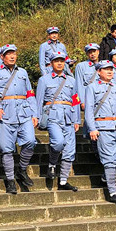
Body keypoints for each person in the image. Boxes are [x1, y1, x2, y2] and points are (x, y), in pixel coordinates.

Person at [0, 44, 38, 194]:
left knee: (30, 141)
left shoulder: (22, 72)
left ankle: (22, 169)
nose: (12, 56)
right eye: (8, 54)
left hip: (24, 112)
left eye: (14, 53)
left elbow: (30, 93)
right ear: (2, 57)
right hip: (5, 113)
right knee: (6, 149)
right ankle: (10, 180)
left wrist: (34, 113)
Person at [85, 60, 116, 206]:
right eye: (106, 69)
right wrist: (92, 128)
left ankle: (106, 177)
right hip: (103, 127)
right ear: (98, 72)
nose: (110, 71)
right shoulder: (92, 87)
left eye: (111, 69)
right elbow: (89, 109)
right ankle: (113, 192)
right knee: (109, 160)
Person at [35, 51, 81, 191]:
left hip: (68, 116)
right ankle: (52, 163)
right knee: (58, 142)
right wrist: (37, 117)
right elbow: (39, 100)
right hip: (52, 115)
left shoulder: (72, 80)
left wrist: (77, 119)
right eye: (56, 61)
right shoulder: (44, 79)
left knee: (70, 150)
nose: (60, 63)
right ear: (51, 63)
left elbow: (75, 101)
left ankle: (63, 181)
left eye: (62, 61)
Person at [74, 43, 101, 111]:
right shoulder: (81, 66)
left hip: (101, 99)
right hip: (88, 98)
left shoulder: (103, 65)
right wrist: (82, 101)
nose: (92, 54)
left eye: (94, 51)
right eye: (90, 52)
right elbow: (79, 85)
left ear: (98, 52)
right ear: (87, 54)